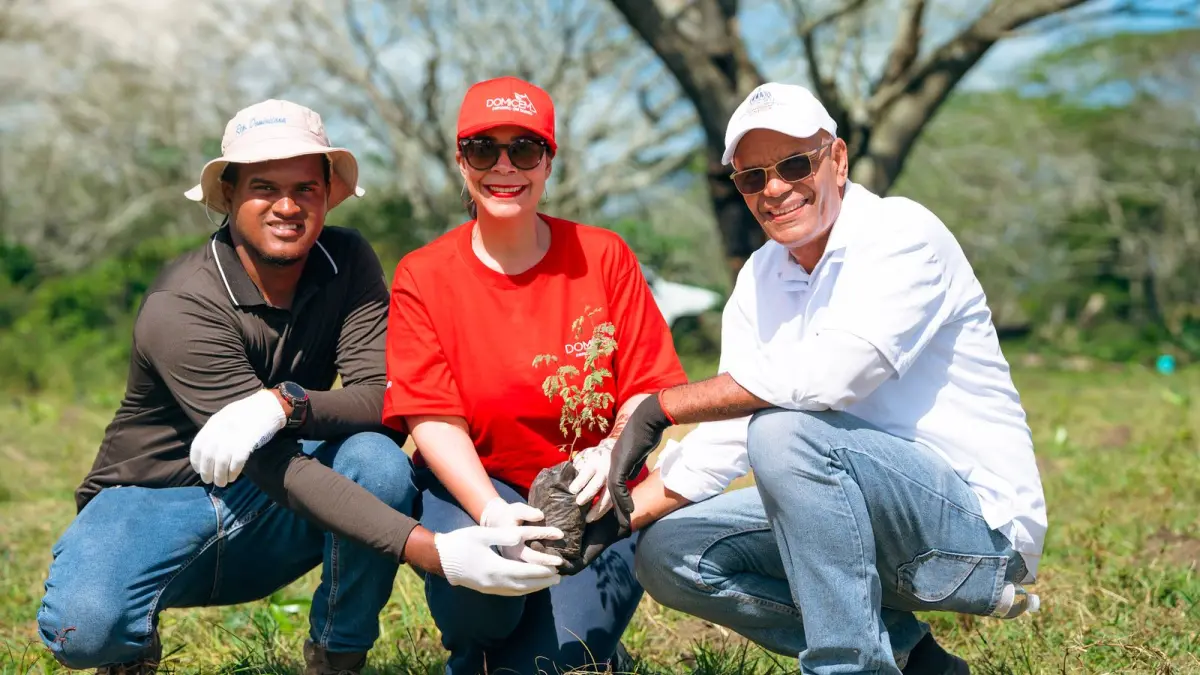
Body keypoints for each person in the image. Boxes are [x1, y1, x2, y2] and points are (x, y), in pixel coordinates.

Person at [35, 99, 565, 675]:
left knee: (376, 460)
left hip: (269, 505)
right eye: (264, 187)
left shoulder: (347, 260)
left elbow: (382, 397)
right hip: (156, 499)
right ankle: (130, 644)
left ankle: (337, 656)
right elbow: (267, 463)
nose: (287, 207)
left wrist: (286, 404)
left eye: (306, 189)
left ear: (327, 194)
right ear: (230, 194)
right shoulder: (182, 304)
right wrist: (436, 554)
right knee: (83, 629)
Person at [599, 83, 1049, 675]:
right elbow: (732, 436)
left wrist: (662, 407)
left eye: (793, 164)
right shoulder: (761, 276)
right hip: (845, 516)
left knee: (787, 432)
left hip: (967, 534)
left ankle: (847, 667)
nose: (775, 189)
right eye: (752, 177)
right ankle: (913, 659)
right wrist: (612, 519)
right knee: (671, 553)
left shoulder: (902, 233)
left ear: (837, 159)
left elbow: (833, 378)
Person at [381, 76, 689, 674]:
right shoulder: (424, 274)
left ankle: (565, 650)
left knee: (551, 664)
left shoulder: (604, 256)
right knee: (483, 612)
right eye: (482, 149)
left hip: (594, 499)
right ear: (460, 160)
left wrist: (614, 453)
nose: (504, 166)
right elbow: (432, 416)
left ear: (549, 160)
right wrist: (489, 511)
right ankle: (477, 641)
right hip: (479, 488)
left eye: (524, 148)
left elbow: (650, 386)